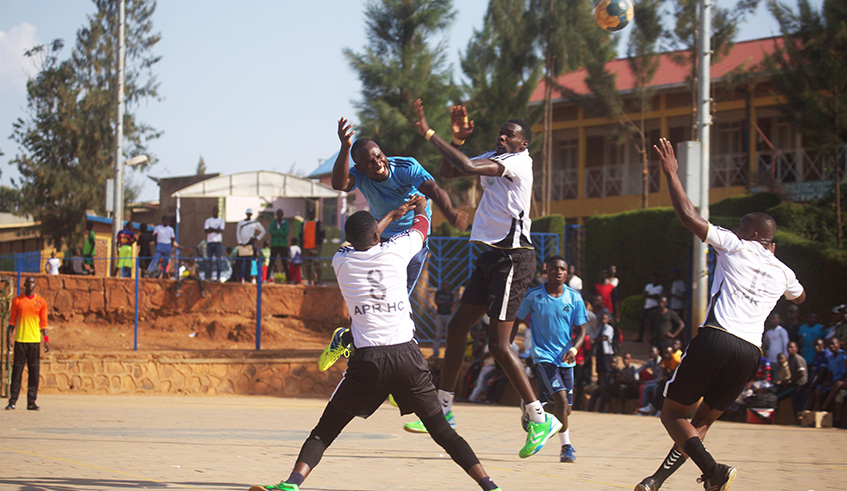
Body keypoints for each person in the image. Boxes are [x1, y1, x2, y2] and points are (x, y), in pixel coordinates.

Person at [248, 197, 506, 491]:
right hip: (407, 357)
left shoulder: (341, 261)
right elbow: (422, 226)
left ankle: (292, 483)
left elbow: (363, 237)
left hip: (368, 361)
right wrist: (416, 209)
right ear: (377, 236)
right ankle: (490, 486)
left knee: (324, 432)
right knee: (443, 433)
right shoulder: (396, 250)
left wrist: (385, 218)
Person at [635, 138, 805, 491]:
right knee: (700, 423)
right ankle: (657, 480)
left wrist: (671, 173)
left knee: (671, 414)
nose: (736, 231)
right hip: (749, 353)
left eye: (742, 227)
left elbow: (688, 216)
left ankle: (713, 471)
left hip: (717, 337)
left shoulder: (736, 245)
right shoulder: (784, 271)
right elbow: (801, 297)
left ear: (753, 234)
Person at [403, 98, 561, 459]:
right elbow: (450, 171)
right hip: (491, 255)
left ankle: (540, 417)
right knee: (457, 328)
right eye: (501, 133)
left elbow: (463, 167)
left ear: (524, 144)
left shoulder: (518, 163)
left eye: (511, 135)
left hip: (514, 259)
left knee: (499, 344)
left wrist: (429, 130)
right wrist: (457, 141)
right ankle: (443, 408)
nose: (503, 137)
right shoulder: (498, 156)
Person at [514, 255, 588, 462]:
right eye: (555, 269)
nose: (559, 272)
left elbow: (582, 329)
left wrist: (573, 350)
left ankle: (532, 410)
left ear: (567, 272)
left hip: (566, 359)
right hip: (543, 357)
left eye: (563, 269)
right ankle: (567, 447)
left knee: (566, 409)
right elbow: (516, 320)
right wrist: (509, 347)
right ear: (547, 271)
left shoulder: (574, 298)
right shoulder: (534, 296)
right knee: (561, 400)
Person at [5, 277, 48, 411]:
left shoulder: (41, 302)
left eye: (32, 282)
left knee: (34, 372)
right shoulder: (17, 301)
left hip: (34, 342)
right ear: (24, 285)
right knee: (17, 371)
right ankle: (12, 401)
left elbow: (44, 323)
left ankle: (31, 402)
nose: (30, 284)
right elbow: (11, 322)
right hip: (20, 341)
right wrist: (9, 339)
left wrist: (46, 340)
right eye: (28, 282)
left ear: (35, 285)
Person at [236, 208, 266, 284]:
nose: (249, 215)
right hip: (242, 244)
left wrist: (257, 238)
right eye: (248, 214)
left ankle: (247, 279)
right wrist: (240, 242)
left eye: (250, 214)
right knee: (239, 262)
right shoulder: (241, 223)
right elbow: (237, 233)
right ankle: (238, 278)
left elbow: (263, 231)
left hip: (250, 243)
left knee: (248, 262)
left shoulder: (255, 223)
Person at [299, 205, 325, 286]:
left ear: (314, 214)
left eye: (312, 213)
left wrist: (319, 244)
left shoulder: (318, 223)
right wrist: (301, 245)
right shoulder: (304, 223)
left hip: (315, 248)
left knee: (317, 266)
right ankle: (309, 281)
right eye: (309, 213)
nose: (310, 215)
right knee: (307, 266)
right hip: (306, 248)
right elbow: (300, 234)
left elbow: (322, 234)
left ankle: (319, 281)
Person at [432, 281, 456, 359]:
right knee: (437, 335)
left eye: (446, 284)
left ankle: (448, 353)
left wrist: (442, 302)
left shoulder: (450, 294)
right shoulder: (438, 293)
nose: (444, 286)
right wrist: (446, 302)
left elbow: (451, 304)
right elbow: (436, 302)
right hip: (440, 315)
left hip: (448, 315)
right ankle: (435, 353)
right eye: (443, 284)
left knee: (448, 335)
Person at [638, 273, 664, 342]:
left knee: (653, 324)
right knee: (643, 322)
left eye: (655, 279)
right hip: (647, 306)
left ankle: (653, 338)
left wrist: (648, 295)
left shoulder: (660, 287)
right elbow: (644, 294)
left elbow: (657, 296)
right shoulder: (648, 286)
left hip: (654, 307)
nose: (653, 280)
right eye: (652, 279)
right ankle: (640, 337)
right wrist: (651, 296)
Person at [204, 205, 225, 282]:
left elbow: (221, 231)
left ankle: (218, 277)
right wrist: (216, 229)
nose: (215, 212)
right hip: (210, 242)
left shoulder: (221, 221)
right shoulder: (208, 220)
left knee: (218, 260)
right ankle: (208, 277)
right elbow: (206, 230)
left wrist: (211, 229)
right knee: (209, 260)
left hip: (218, 243)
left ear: (218, 212)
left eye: (217, 210)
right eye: (214, 210)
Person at [268, 209, 289, 282]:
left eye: (280, 214)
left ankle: (288, 279)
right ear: (276, 215)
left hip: (283, 245)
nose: (279, 216)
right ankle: (267, 278)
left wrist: (276, 232)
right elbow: (271, 231)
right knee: (271, 262)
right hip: (274, 244)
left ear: (282, 215)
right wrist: (280, 231)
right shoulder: (273, 223)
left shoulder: (285, 223)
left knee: (285, 262)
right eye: (278, 214)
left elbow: (285, 233)